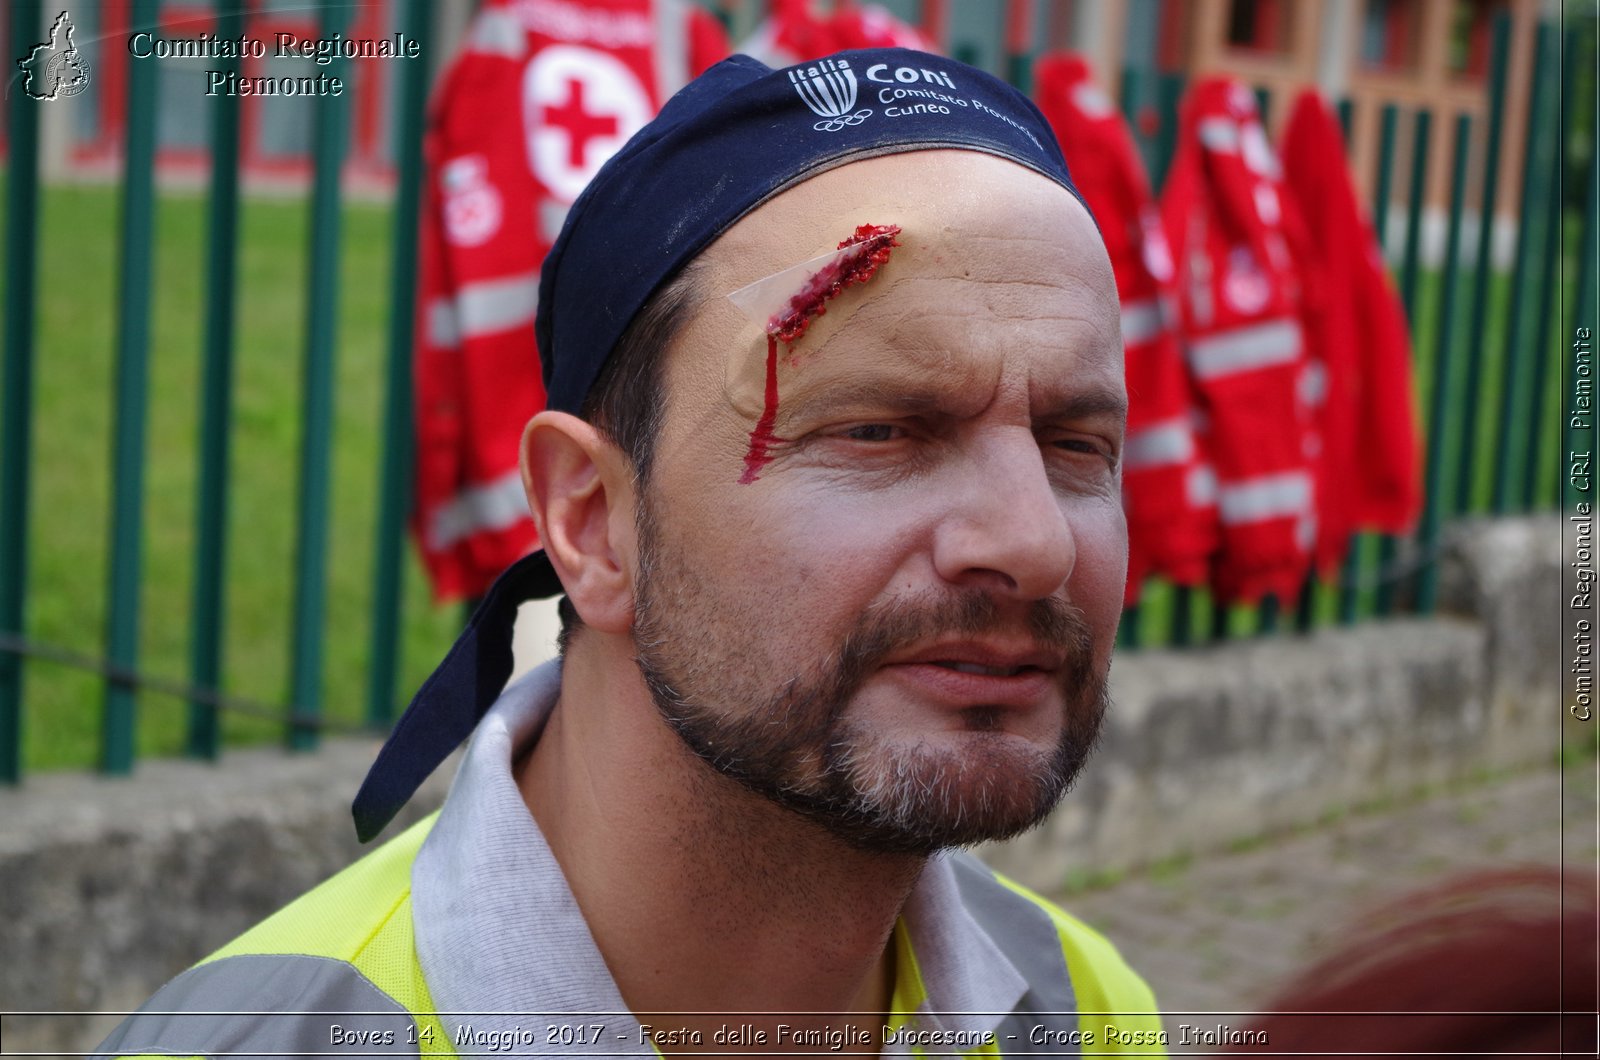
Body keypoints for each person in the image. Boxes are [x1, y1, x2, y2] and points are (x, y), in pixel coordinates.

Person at [94, 47, 1163, 1059]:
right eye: (878, 431)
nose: (1030, 540)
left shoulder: (1084, 1007)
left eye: (1077, 445)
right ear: (594, 521)